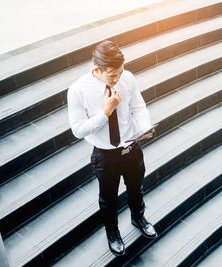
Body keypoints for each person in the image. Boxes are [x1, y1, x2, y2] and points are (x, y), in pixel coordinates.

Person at [67, 40, 157, 257]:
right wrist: (105, 112)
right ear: (96, 69)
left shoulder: (127, 78)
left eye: (120, 72)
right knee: (108, 198)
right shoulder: (78, 90)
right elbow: (78, 130)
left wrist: (144, 128)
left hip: (131, 147)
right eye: (112, 76)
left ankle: (138, 217)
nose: (117, 79)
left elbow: (138, 106)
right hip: (105, 155)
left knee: (136, 188)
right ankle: (113, 233)